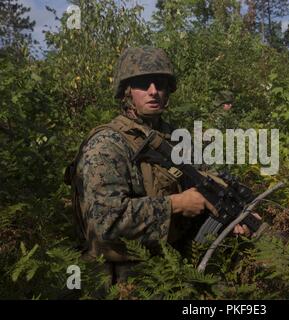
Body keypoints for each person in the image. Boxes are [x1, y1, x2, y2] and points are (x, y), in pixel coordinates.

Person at [65, 47, 251, 284]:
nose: (153, 91)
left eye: (160, 84)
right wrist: (176, 205)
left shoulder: (175, 138)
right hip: (122, 281)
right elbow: (104, 222)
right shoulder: (106, 144)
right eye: (144, 84)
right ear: (127, 91)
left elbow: (205, 178)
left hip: (175, 269)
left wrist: (236, 211)